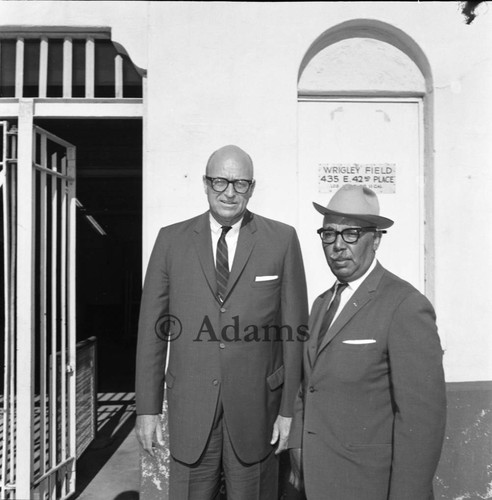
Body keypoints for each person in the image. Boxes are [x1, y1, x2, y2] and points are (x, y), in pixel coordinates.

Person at [135, 145, 308, 499]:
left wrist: (290, 410)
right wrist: (147, 409)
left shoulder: (282, 240)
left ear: (252, 187)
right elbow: (152, 332)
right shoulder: (171, 241)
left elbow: (295, 334)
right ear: (205, 183)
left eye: (239, 183)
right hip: (190, 409)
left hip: (258, 412)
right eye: (220, 181)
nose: (229, 192)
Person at [289, 184, 446, 500]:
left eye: (351, 234)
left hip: (370, 486)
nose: (337, 246)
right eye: (329, 234)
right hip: (317, 483)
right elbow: (309, 387)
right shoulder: (321, 304)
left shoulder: (404, 306)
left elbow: (422, 422)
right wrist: (297, 446)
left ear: (375, 239)